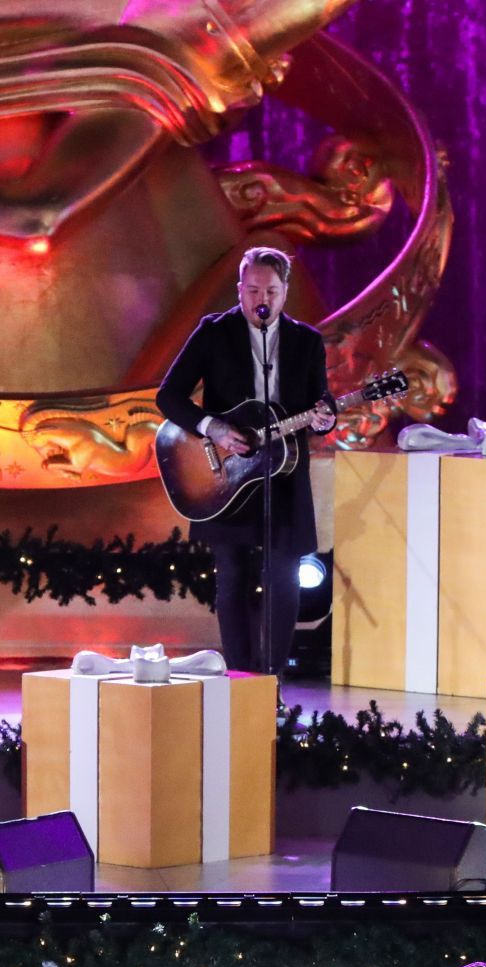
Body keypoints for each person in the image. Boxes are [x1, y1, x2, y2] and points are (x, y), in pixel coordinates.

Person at [155, 247, 336, 673]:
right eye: (253, 288)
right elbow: (169, 396)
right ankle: (238, 675)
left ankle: (269, 680)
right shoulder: (213, 332)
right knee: (233, 575)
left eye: (271, 290)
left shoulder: (306, 342)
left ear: (285, 292)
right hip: (225, 472)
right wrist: (213, 428)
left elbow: (320, 403)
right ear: (240, 289)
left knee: (283, 579)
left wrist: (327, 416)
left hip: (284, 473)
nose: (262, 298)